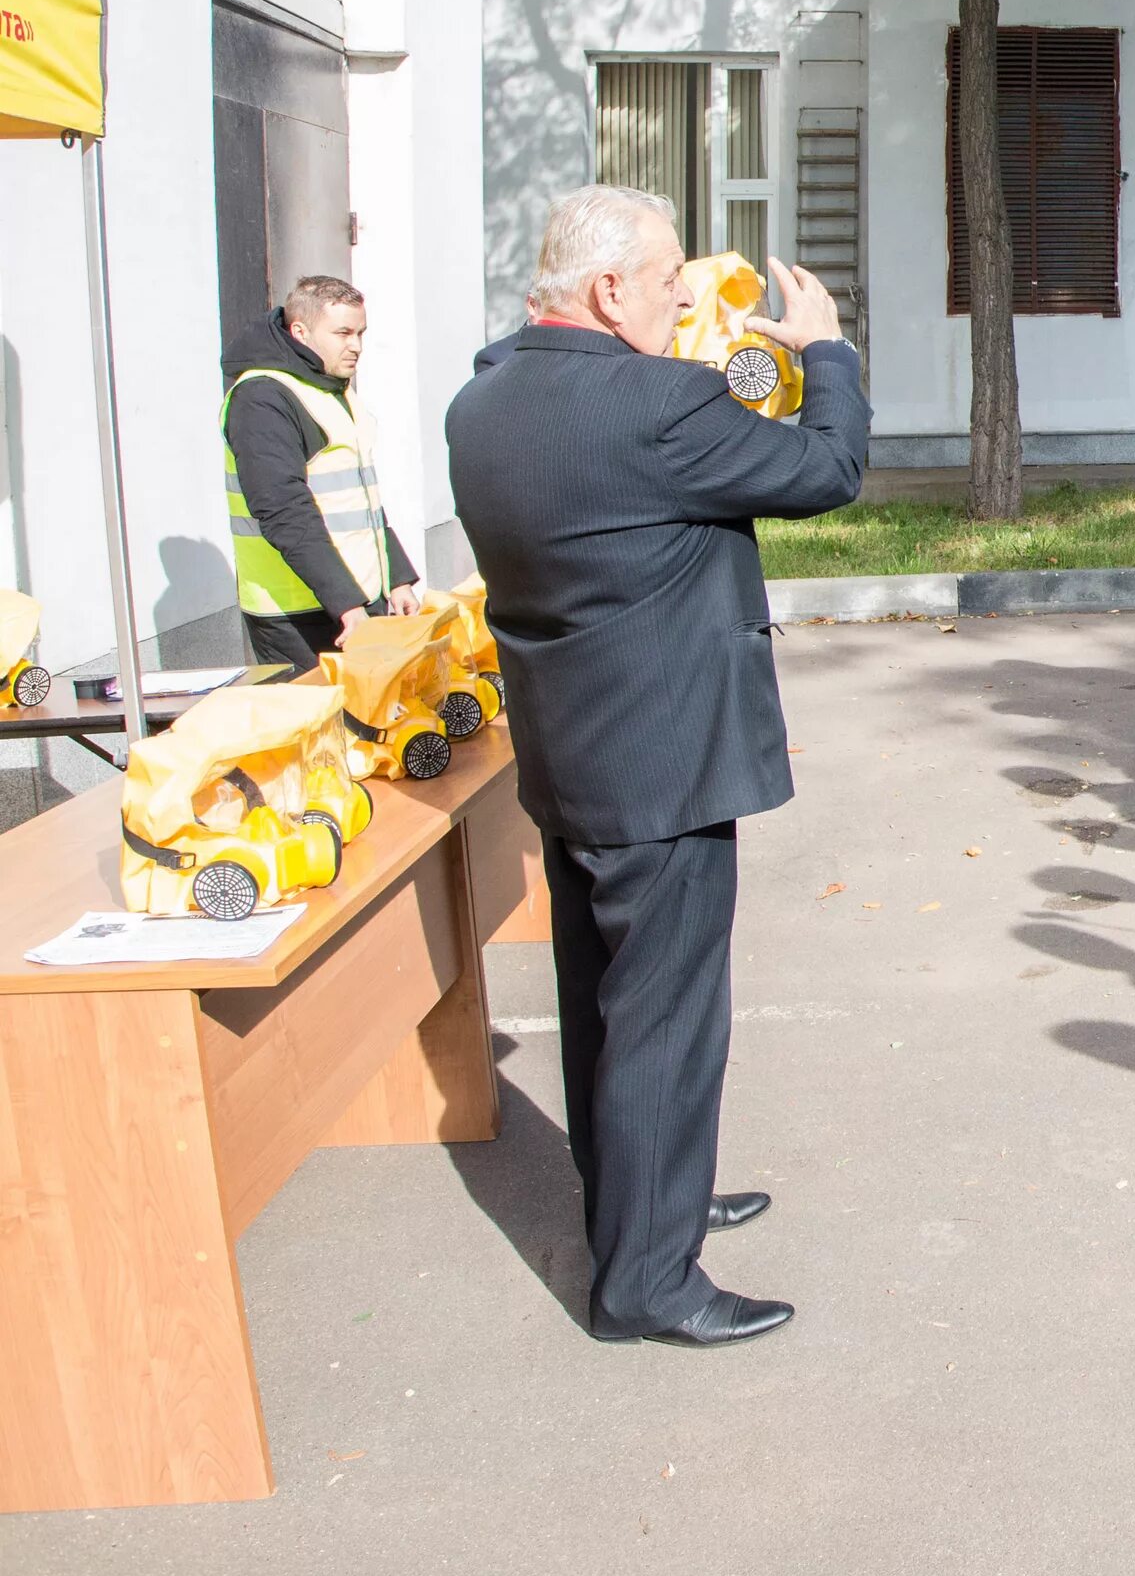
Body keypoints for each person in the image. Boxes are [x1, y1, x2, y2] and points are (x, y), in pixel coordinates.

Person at [446, 185, 867, 1348]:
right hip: (666, 760)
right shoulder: (655, 405)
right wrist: (824, 349)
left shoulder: (480, 403)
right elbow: (828, 466)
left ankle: (645, 1205)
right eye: (671, 274)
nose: (688, 292)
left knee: (603, 1004)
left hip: (573, 754)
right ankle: (647, 1279)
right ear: (607, 290)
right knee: (668, 1018)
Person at [223, 275, 419, 672]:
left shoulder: (330, 386)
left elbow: (360, 498)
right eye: (343, 332)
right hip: (298, 612)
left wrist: (395, 576)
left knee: (376, 725)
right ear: (301, 331)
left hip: (354, 599)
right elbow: (283, 510)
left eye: (361, 332)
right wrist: (346, 604)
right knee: (325, 730)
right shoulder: (262, 397)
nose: (357, 346)